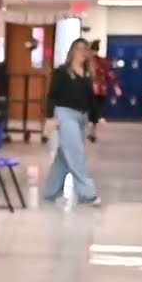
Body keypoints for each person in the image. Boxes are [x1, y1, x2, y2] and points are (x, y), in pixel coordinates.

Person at [43, 37, 102, 206]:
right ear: (72, 52)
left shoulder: (87, 74)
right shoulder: (62, 72)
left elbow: (91, 101)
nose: (82, 52)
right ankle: (88, 194)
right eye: (78, 49)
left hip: (81, 117)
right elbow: (52, 96)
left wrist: (94, 122)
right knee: (76, 155)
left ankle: (51, 191)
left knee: (64, 156)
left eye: (85, 49)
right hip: (65, 115)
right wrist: (50, 118)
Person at [86, 39, 120, 142]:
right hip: (99, 90)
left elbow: (109, 75)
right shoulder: (102, 62)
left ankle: (91, 132)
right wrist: (116, 87)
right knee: (94, 112)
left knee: (92, 112)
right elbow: (110, 75)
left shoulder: (89, 62)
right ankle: (92, 132)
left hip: (93, 90)